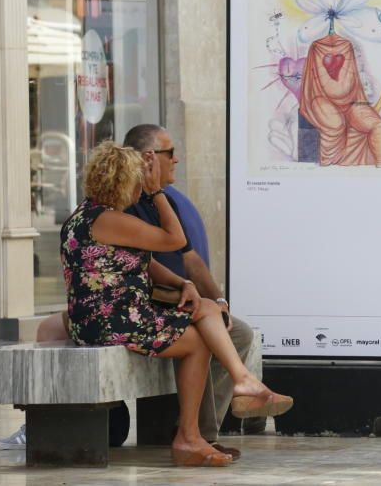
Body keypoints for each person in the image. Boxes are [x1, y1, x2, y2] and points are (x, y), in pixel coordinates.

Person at [60, 141, 292, 467]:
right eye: (138, 179)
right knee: (196, 341)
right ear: (122, 180)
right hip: (110, 321)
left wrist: (183, 284)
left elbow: (142, 261)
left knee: (207, 310)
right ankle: (192, 433)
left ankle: (233, 392)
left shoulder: (89, 215)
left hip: (113, 315)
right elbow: (175, 240)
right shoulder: (107, 218)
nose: (141, 186)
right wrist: (157, 194)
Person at [299, 32, 381, 168]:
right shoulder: (317, 48)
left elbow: (349, 85)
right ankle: (329, 166)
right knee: (335, 124)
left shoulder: (348, 52)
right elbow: (326, 87)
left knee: (377, 124)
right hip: (321, 99)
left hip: (350, 102)